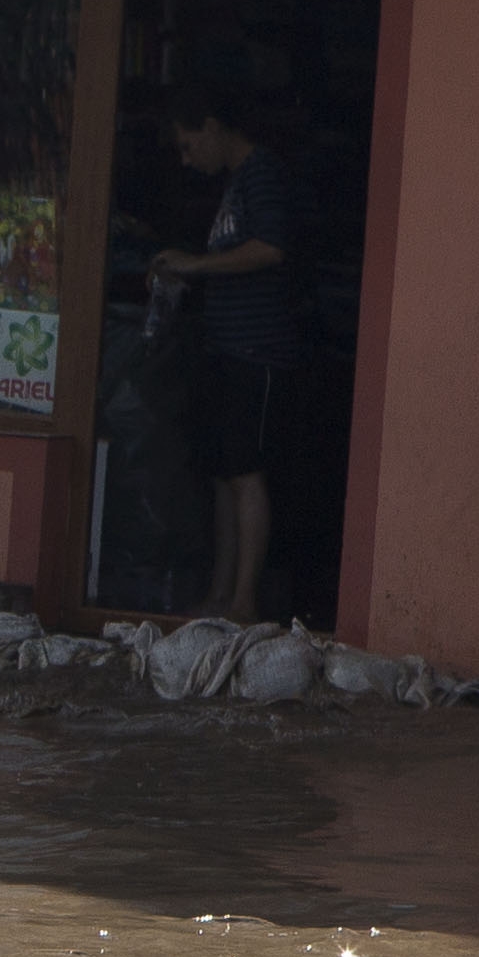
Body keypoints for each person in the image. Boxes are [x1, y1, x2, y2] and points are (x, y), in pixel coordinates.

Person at [152, 85, 298, 623]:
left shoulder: (262, 174)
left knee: (245, 473)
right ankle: (220, 596)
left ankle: (243, 601)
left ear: (213, 126)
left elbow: (269, 248)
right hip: (227, 349)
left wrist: (195, 266)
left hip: (256, 352)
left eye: (190, 146)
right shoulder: (238, 181)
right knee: (222, 474)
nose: (189, 161)